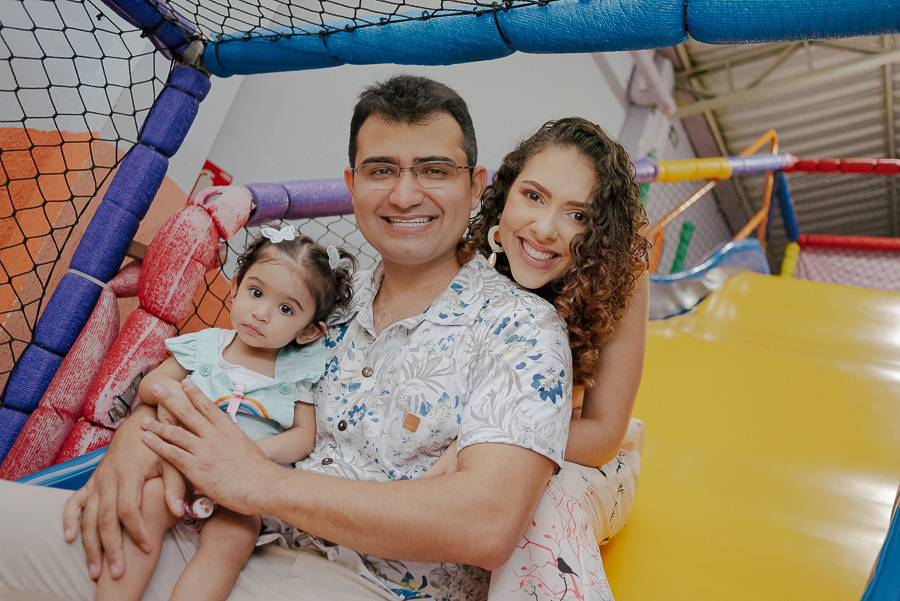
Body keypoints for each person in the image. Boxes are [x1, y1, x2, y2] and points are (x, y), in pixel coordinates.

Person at [0, 74, 572, 601]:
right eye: (380, 170)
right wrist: (136, 438)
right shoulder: (320, 305)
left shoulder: (521, 329)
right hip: (218, 536)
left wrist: (261, 485)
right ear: (352, 185)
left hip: (367, 585)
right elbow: (218, 376)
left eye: (433, 170)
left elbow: (487, 526)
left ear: (475, 187)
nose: (403, 195)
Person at [425, 117, 650, 600]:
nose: (545, 229)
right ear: (504, 193)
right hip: (478, 442)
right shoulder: (462, 263)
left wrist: (486, 442)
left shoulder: (621, 280)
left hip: (582, 457)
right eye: (533, 196)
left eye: (578, 215)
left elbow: (604, 434)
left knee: (546, 500)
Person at [95, 227, 356, 601]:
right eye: (255, 292)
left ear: (309, 332)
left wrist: (250, 455)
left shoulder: (297, 373)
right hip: (182, 463)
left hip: (242, 485)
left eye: (286, 309)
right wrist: (177, 405)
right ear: (235, 285)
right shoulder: (207, 346)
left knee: (235, 539)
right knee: (148, 503)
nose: (261, 313)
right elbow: (151, 385)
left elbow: (303, 437)